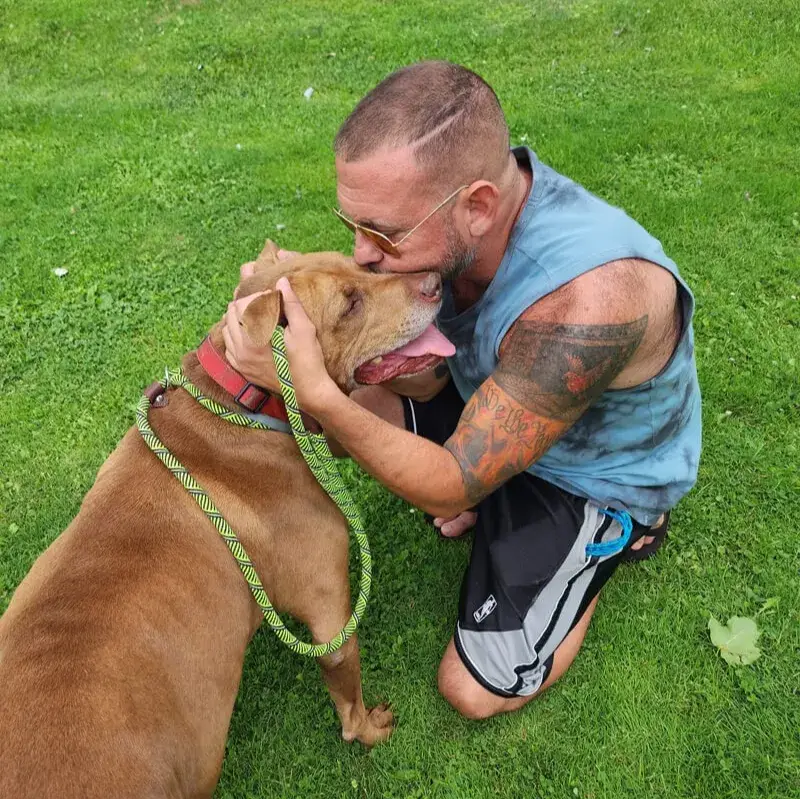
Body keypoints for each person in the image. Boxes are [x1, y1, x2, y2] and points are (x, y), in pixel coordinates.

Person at [223, 61, 701, 720]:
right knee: (339, 417)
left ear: (477, 205)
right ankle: (495, 488)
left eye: (384, 233)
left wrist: (318, 392)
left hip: (587, 474)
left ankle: (618, 538)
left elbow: (450, 482)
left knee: (474, 691)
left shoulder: (588, 301)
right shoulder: (451, 226)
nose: (362, 253)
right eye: (352, 223)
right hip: (492, 390)